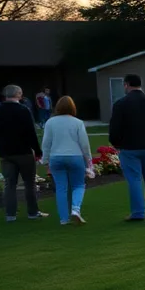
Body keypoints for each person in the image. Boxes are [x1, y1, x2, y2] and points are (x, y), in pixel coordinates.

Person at [109, 73, 145, 222]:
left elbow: (114, 128)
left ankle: (138, 212)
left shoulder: (120, 104)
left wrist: (116, 143)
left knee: (134, 179)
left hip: (129, 147)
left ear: (127, 84)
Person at [0, 85, 46, 222]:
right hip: (23, 151)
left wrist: (2, 143)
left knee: (9, 184)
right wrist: (37, 150)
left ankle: (10, 214)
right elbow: (31, 132)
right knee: (29, 183)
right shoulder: (23, 110)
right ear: (19, 94)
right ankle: (33, 212)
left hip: (6, 152)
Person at [41, 96, 93, 225]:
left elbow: (46, 143)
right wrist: (88, 159)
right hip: (75, 156)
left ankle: (64, 219)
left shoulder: (50, 122)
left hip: (56, 157)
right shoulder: (78, 122)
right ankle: (75, 208)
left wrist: (45, 160)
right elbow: (84, 144)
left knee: (61, 188)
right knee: (78, 185)